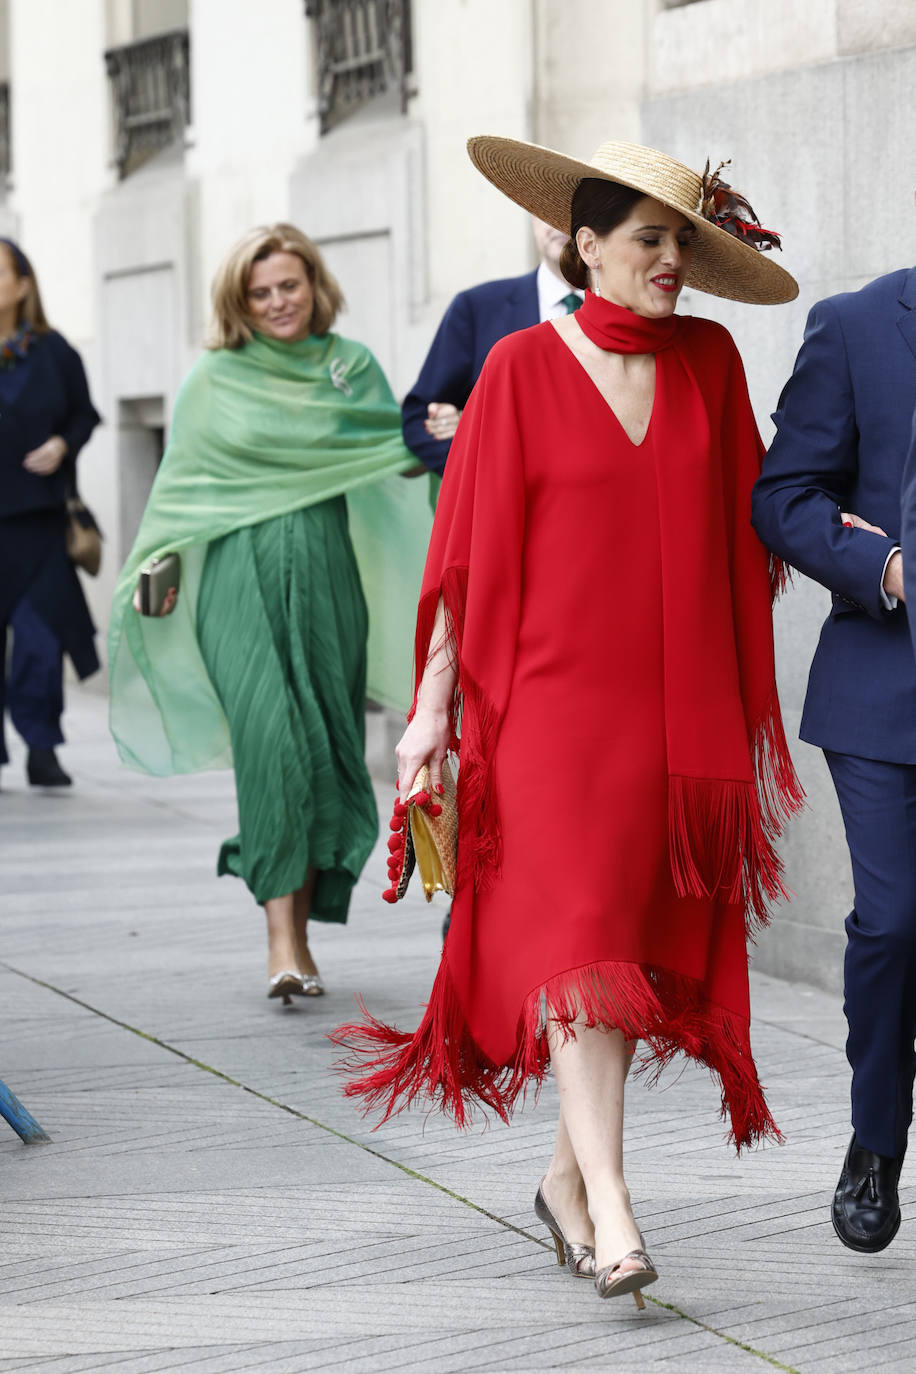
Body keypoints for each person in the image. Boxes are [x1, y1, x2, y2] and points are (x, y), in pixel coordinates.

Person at [336, 138, 801, 1305]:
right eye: (649, 241)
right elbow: (469, 562)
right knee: (584, 948)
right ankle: (615, 1208)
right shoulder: (516, 370)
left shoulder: (710, 363)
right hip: (546, 712)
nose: (672, 265)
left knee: (624, 962)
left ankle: (561, 1180)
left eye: (684, 244)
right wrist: (431, 712)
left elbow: (755, 532)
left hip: (672, 722)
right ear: (581, 245)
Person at [108, 224, 423, 1006]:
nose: (279, 301)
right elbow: (180, 491)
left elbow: (396, 452)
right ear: (238, 303)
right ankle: (280, 938)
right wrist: (156, 575)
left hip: (325, 580)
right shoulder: (214, 379)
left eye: (290, 285)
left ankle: (304, 931)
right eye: (261, 292)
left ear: (314, 285)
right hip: (234, 588)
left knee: (325, 748)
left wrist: (444, 435)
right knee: (270, 744)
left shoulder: (349, 367)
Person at [752, 243, 916, 1253]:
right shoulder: (856, 326)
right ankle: (873, 1133)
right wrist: (884, 566)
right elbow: (783, 495)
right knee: (895, 923)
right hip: (883, 690)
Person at [0, 237, 101, 789]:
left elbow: (85, 415)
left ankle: (42, 746)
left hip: (40, 522)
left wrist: (64, 444)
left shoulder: (53, 350)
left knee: (40, 641)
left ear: (22, 284)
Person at [401, 217, 581, 473]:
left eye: (567, 204)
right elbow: (419, 420)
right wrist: (478, 450)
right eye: (542, 206)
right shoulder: (477, 309)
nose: (557, 219)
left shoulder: (637, 310)